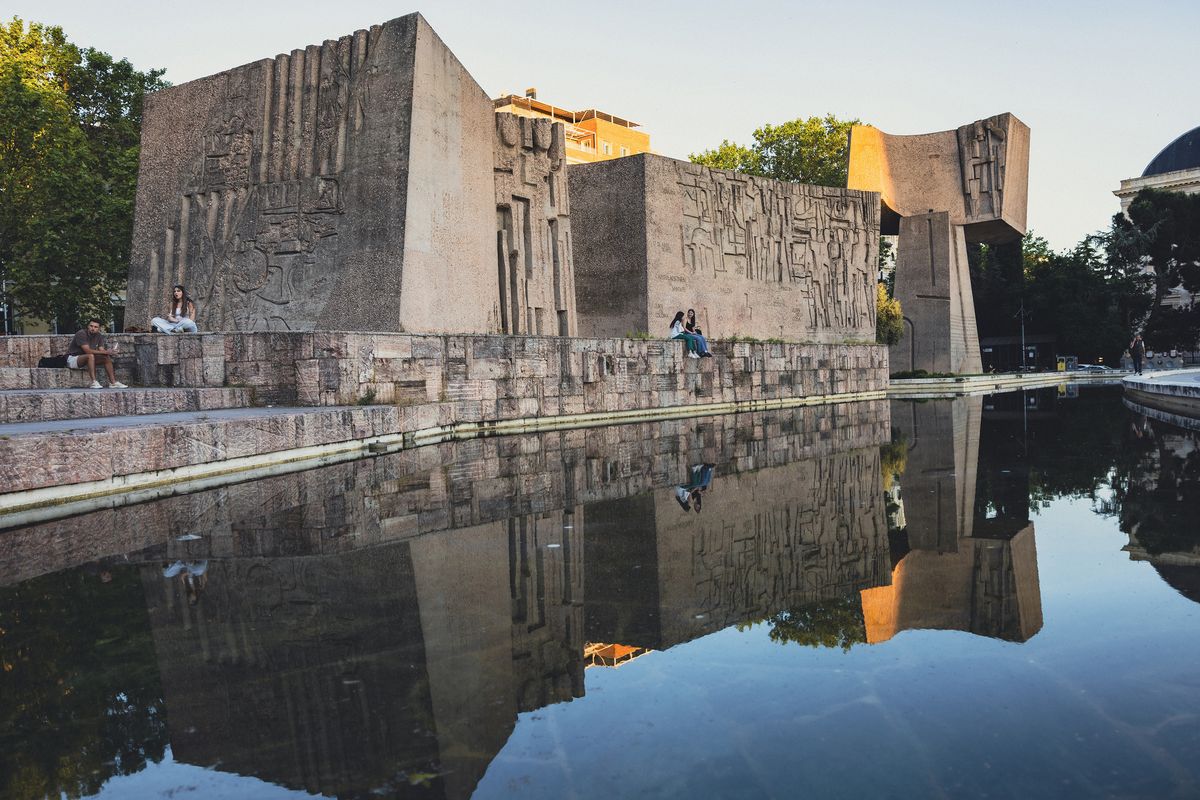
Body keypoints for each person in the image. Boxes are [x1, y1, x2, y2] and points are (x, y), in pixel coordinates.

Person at [67, 318, 127, 389]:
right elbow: (88, 351)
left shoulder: (99, 336)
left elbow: (101, 350)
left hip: (87, 359)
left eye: (95, 327)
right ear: (88, 326)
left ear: (99, 328)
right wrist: (105, 352)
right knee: (90, 356)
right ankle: (94, 382)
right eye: (91, 326)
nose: (93, 328)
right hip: (73, 359)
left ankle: (113, 383)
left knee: (106, 358)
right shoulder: (81, 333)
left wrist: (111, 352)